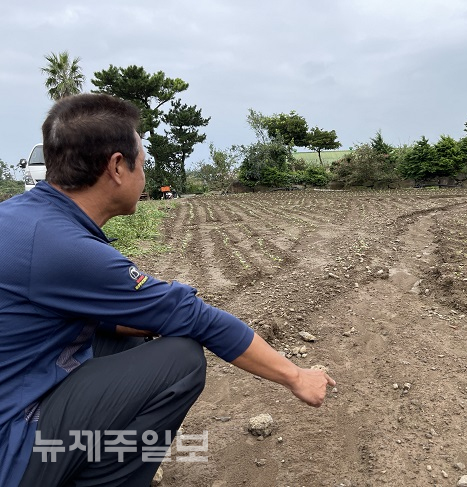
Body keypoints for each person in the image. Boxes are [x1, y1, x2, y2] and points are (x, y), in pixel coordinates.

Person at [0, 93, 335, 487]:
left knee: (134, 336)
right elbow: (195, 317)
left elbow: (71, 311)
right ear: (117, 167)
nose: (146, 172)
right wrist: (295, 375)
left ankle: (86, 458)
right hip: (12, 446)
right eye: (143, 160)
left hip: (17, 388)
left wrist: (142, 323)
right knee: (180, 357)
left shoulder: (22, 218)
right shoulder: (66, 249)